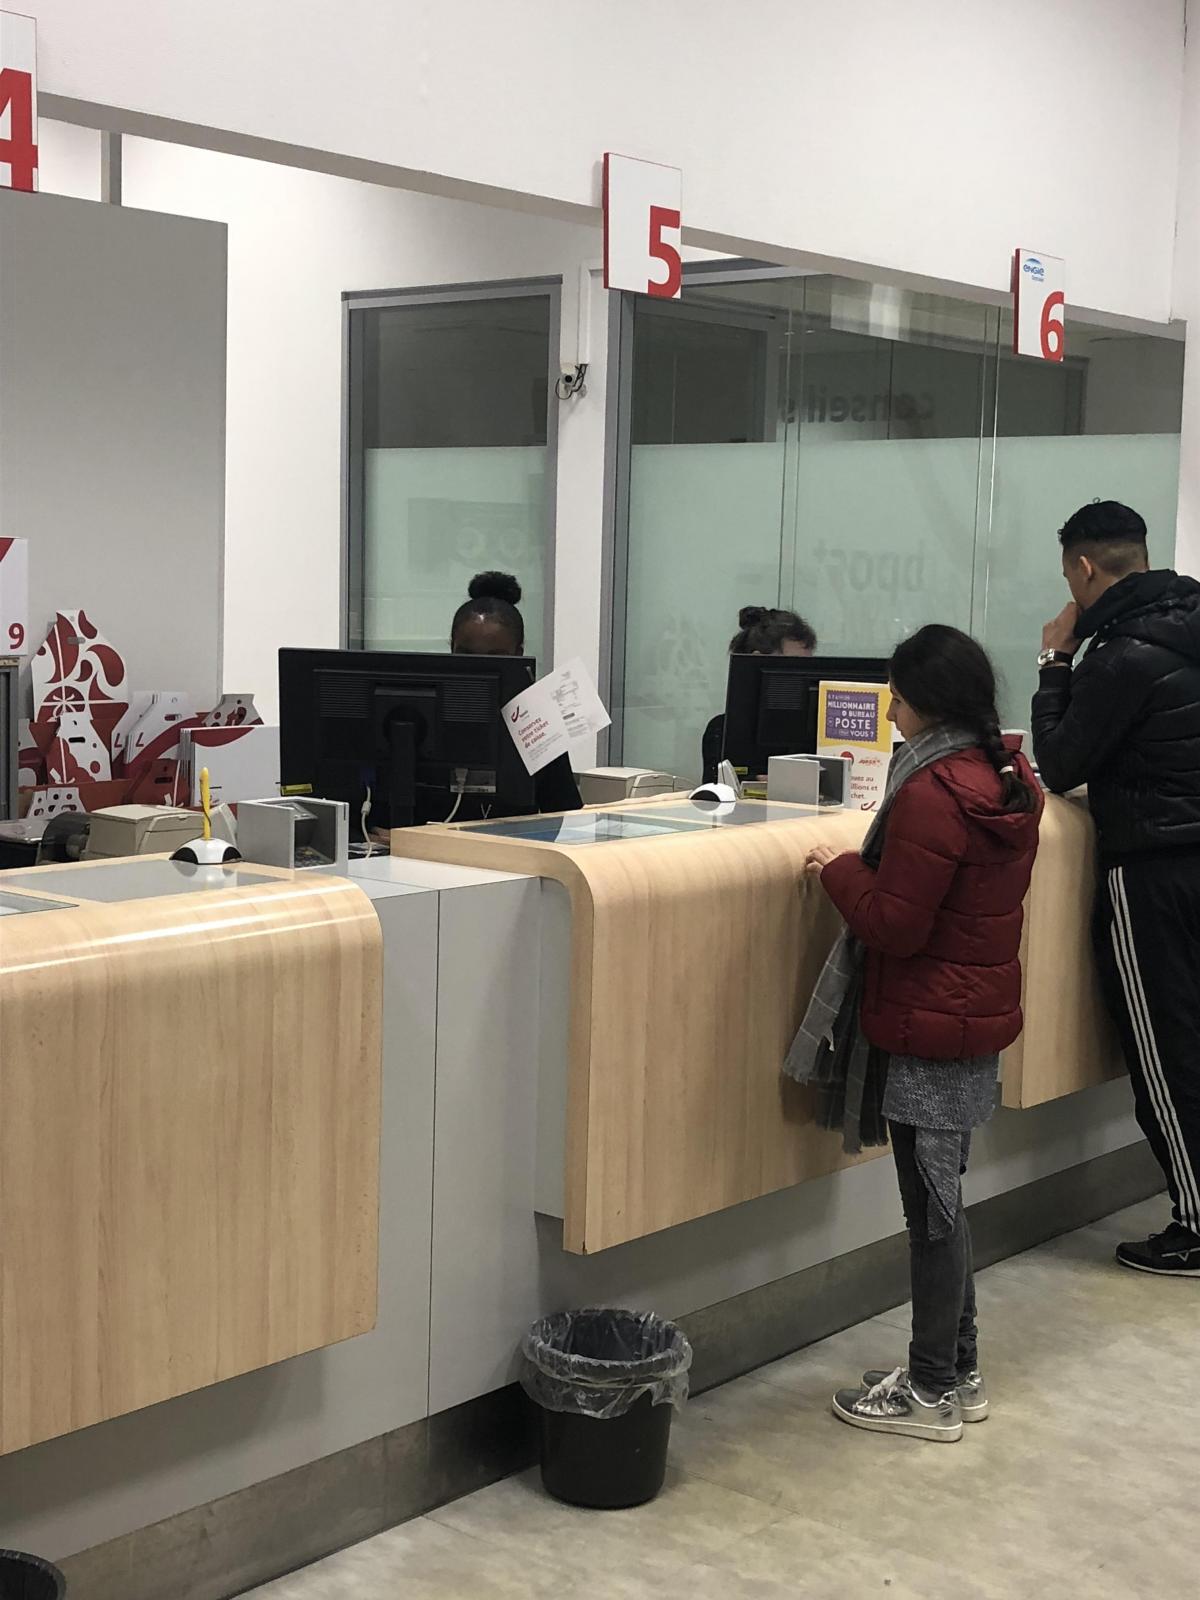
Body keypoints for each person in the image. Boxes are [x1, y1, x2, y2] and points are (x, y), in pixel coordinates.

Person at [796, 625, 1042, 1442]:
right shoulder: (1002, 776)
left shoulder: (935, 793)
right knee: (944, 1203)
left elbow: (896, 926)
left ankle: (932, 1388)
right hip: (967, 1016)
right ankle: (957, 1370)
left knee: (932, 1212)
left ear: (927, 704)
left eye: (896, 698)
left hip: (930, 1021)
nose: (890, 713)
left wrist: (837, 869)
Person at [1032, 500, 1200, 1277]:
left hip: (1152, 866)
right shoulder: (1188, 624)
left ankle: (1196, 1223)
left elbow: (1061, 762)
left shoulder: (1119, 654)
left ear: (1085, 567)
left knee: (1168, 1049)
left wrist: (1053, 661)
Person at [447, 571, 583, 819]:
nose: (479, 669)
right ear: (451, 649)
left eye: (495, 658)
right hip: (420, 840)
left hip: (516, 841)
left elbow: (564, 811)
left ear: (518, 655)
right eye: (467, 655)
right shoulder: (423, 709)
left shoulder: (537, 721)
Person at [701, 606, 817, 782]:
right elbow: (712, 794)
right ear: (758, 661)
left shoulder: (817, 733)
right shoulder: (722, 731)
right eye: (794, 665)